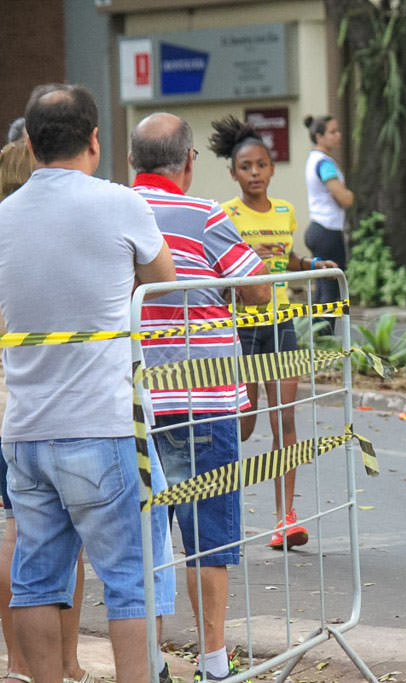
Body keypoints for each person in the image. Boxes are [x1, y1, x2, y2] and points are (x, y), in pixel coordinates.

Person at [0, 83, 177, 683]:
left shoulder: (3, 215)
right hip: (102, 424)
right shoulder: (120, 203)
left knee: (36, 580)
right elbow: (162, 282)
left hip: (25, 430)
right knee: (131, 579)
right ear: (96, 141)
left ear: (28, 142)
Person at [131, 112, 271, 682]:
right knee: (208, 536)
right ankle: (214, 663)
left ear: (134, 162)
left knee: (144, 538)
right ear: (189, 162)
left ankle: (151, 660)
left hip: (133, 403)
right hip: (203, 397)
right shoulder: (204, 214)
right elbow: (260, 287)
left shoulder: (112, 210)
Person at [209, 115, 337, 550]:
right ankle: (222, 507)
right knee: (244, 426)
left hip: (280, 322)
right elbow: (216, 272)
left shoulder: (285, 212)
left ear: (272, 168)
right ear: (233, 173)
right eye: (246, 167)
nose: (255, 174)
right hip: (241, 326)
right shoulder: (225, 214)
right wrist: (248, 258)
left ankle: (286, 517)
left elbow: (287, 258)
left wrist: (310, 265)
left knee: (285, 417)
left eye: (261, 165)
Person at [0, 137, 97, 683]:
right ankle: (65, 663)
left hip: (9, 418)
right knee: (58, 539)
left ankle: (18, 663)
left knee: (15, 532)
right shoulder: (41, 240)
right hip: (45, 412)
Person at [303, 114, 353, 330]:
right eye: (333, 132)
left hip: (318, 228)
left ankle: (317, 337)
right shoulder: (325, 164)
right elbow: (344, 198)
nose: (338, 135)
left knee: (323, 289)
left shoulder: (313, 159)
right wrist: (349, 194)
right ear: (319, 136)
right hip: (328, 231)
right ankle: (325, 339)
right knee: (330, 291)